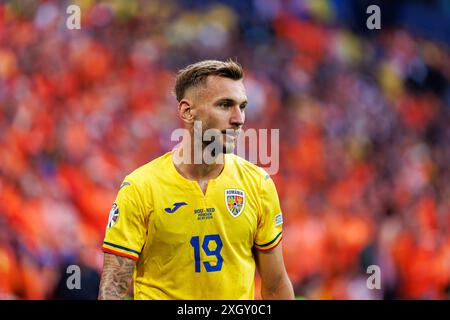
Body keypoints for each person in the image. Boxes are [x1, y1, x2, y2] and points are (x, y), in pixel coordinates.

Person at [98, 59, 294, 300]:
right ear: (187, 111)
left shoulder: (258, 184)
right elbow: (114, 288)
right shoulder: (140, 188)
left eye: (242, 107)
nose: (239, 119)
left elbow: (275, 286)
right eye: (225, 105)